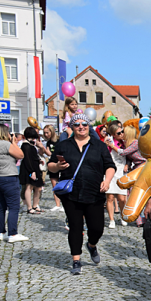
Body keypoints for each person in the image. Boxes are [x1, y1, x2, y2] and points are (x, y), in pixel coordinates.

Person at [47, 113, 116, 275]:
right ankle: (76, 260)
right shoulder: (64, 145)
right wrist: (57, 166)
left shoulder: (98, 145)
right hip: (72, 194)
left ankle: (91, 245)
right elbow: (50, 166)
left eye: (84, 124)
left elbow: (110, 165)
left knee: (97, 228)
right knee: (75, 227)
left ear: (88, 126)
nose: (81, 127)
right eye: (77, 124)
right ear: (72, 127)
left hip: (95, 193)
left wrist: (107, 181)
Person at [0, 124, 27, 243]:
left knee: (0, 207)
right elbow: (21, 155)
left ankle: (1, 233)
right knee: (14, 207)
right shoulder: (6, 144)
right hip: (8, 177)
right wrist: (13, 142)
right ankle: (13, 234)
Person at [104, 122, 129, 229]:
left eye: (122, 131)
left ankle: (123, 216)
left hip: (122, 171)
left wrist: (127, 164)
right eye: (119, 133)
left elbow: (128, 155)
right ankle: (111, 219)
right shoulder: (109, 142)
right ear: (113, 134)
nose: (121, 134)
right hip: (111, 170)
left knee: (122, 198)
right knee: (110, 197)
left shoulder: (125, 142)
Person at [20, 127, 45, 215]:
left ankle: (35, 205)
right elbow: (27, 159)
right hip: (29, 168)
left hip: (35, 166)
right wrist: (32, 171)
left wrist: (39, 160)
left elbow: (33, 156)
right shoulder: (25, 145)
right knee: (29, 187)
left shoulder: (31, 145)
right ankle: (29, 207)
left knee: (38, 187)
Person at [43, 125, 63, 211]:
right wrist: (42, 148)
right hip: (52, 163)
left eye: (47, 132)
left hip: (60, 162)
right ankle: (57, 204)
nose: (46, 134)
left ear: (52, 132)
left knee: (62, 184)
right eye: (44, 133)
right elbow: (49, 154)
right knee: (54, 184)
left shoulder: (59, 140)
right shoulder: (48, 142)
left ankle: (63, 204)